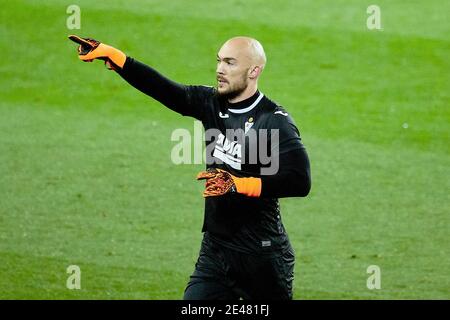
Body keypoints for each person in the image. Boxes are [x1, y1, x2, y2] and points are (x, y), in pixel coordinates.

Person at [69, 35, 311, 300]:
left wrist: (238, 184)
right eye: (219, 61)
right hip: (216, 251)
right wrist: (114, 56)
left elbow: (299, 180)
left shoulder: (273, 120)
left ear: (254, 71)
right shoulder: (212, 102)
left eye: (230, 63)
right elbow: (167, 91)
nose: (220, 69)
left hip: (262, 257)